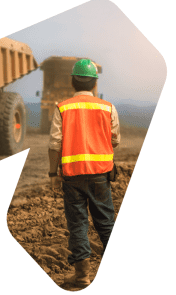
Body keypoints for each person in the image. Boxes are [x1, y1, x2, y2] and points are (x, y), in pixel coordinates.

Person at [48, 59, 120, 289]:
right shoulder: (108, 108)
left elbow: (54, 145)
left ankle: (82, 278)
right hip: (101, 176)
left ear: (72, 81)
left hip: (72, 178)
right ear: (95, 83)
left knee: (78, 226)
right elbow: (115, 140)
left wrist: (52, 173)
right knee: (106, 224)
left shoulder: (63, 107)